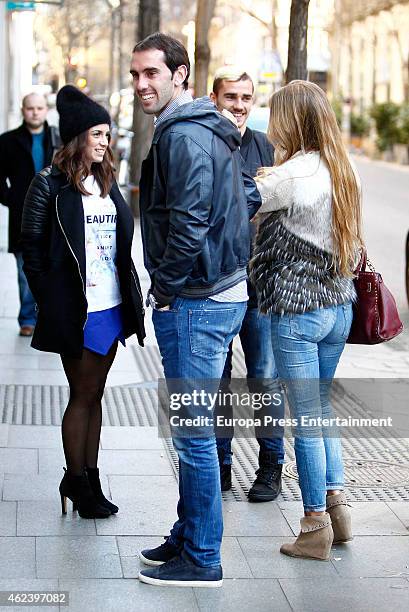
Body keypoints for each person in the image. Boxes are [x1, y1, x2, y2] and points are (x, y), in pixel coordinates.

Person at [130, 33, 260, 587]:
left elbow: (189, 222)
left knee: (193, 434)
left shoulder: (185, 135)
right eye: (135, 74)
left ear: (180, 75)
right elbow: (244, 198)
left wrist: (166, 285)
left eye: (153, 74)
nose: (141, 84)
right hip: (216, 291)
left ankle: (203, 556)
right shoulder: (206, 128)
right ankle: (188, 532)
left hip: (198, 300)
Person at [21, 85, 145, 519]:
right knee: (82, 393)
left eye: (107, 135)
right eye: (95, 134)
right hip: (78, 307)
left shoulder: (106, 182)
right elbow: (31, 249)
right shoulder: (49, 184)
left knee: (96, 394)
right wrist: (50, 300)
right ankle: (75, 479)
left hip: (111, 304)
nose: (103, 142)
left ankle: (89, 477)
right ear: (76, 137)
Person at [250, 80, 362, 560]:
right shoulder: (343, 168)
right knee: (320, 410)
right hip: (340, 305)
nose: (270, 124)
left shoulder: (287, 176)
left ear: (290, 120)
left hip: (299, 310)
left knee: (307, 421)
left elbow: (239, 205)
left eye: (275, 115)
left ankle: (313, 523)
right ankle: (338, 507)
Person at [210, 67, 285, 502]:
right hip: (217, 285)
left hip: (258, 289)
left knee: (264, 379)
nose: (239, 105)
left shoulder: (265, 147)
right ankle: (220, 464)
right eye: (231, 97)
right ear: (214, 98)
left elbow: (272, 211)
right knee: (217, 382)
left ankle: (270, 467)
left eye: (246, 98)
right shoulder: (206, 143)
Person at [0, 93, 61, 336]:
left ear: (46, 110)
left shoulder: (58, 139)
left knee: (54, 267)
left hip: (54, 214)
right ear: (23, 110)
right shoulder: (7, 141)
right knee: (25, 270)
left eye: (39, 108)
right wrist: (11, 200)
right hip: (22, 217)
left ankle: (49, 317)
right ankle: (28, 318)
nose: (35, 112)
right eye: (30, 108)